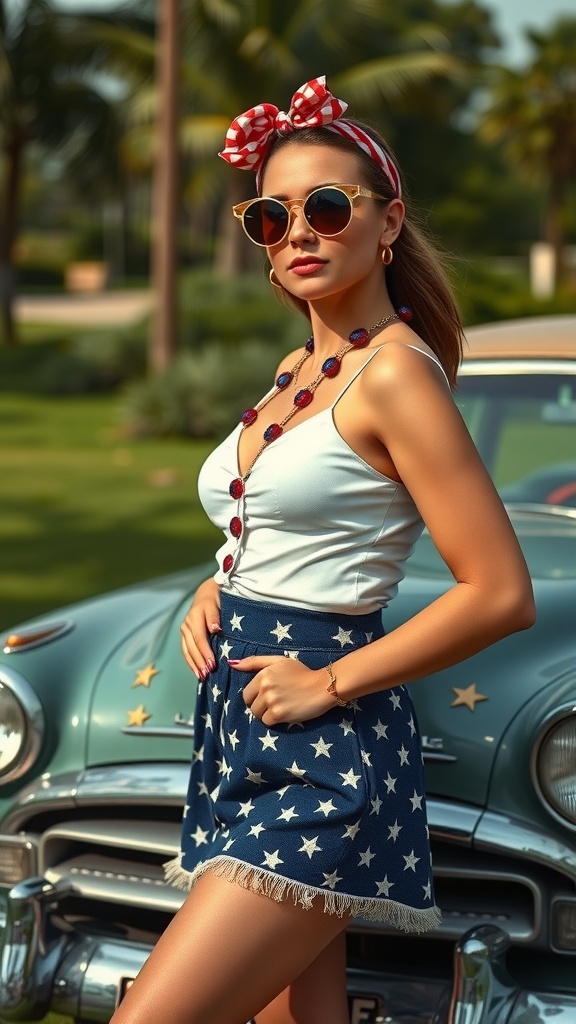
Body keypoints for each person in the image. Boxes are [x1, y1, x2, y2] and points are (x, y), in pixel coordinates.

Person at [111, 75, 535, 1024]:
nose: (298, 233)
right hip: (238, 730)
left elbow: (500, 591)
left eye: (327, 207)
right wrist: (216, 585)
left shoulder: (395, 377)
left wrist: (328, 683)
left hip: (326, 752)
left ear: (386, 224)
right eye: (272, 216)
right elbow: (289, 519)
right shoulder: (298, 370)